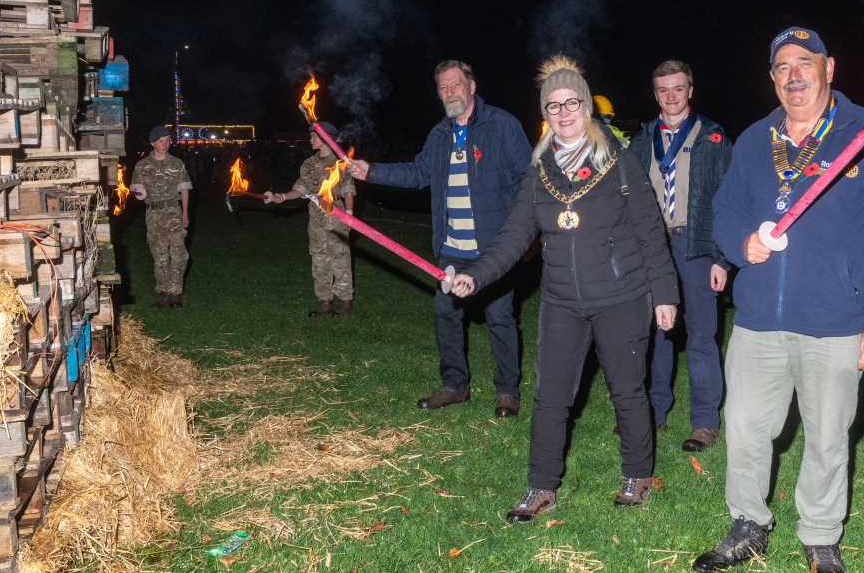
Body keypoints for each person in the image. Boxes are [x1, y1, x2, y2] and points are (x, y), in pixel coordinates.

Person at [694, 27, 864, 573]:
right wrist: (741, 242)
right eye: (782, 67)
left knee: (825, 435)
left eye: (804, 62)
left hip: (837, 320)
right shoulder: (752, 140)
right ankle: (748, 524)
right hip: (760, 317)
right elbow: (724, 212)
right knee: (744, 426)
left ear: (829, 68)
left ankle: (819, 534)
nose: (793, 75)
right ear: (772, 78)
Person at [450, 54, 680, 521]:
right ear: (545, 114)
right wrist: (476, 273)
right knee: (551, 396)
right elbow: (514, 235)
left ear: (586, 106)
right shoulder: (539, 174)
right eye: (553, 107)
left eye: (572, 102)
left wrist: (666, 294)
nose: (564, 113)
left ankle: (636, 474)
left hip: (622, 297)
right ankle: (540, 486)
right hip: (562, 303)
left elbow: (650, 232)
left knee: (627, 391)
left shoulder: (619, 163)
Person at [348, 60, 531, 416]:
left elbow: (527, 178)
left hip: (494, 247)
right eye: (443, 88)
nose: (450, 93)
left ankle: (507, 391)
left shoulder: (501, 125)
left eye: (456, 85)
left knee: (500, 317)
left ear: (472, 86)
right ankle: (455, 385)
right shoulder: (440, 134)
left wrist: (522, 235)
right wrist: (370, 170)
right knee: (445, 313)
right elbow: (418, 173)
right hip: (452, 247)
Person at [627, 60, 732, 452]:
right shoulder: (642, 140)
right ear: (655, 94)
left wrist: (722, 257)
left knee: (702, 335)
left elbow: (729, 200)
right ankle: (653, 413)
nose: (671, 97)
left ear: (691, 90)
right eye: (663, 90)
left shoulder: (713, 136)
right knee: (657, 333)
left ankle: (704, 422)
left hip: (697, 245)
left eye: (678, 88)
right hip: (653, 247)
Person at [264, 121, 356, 317]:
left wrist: (349, 216)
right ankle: (324, 301)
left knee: (340, 257)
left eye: (314, 136)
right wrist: (282, 196)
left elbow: (348, 191)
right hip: (316, 218)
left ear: (324, 138)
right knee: (319, 258)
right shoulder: (309, 164)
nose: (310, 139)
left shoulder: (341, 162)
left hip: (336, 215)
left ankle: (345, 301)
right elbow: (301, 189)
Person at [130, 125, 193, 308]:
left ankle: (175, 293)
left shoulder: (177, 163)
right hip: (154, 215)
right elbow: (136, 189)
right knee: (160, 255)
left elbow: (184, 190)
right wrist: (139, 193)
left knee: (179, 253)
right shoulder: (142, 165)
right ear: (152, 143)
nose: (165, 145)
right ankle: (165, 293)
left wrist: (185, 213)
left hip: (174, 212)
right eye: (161, 141)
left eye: (167, 141)